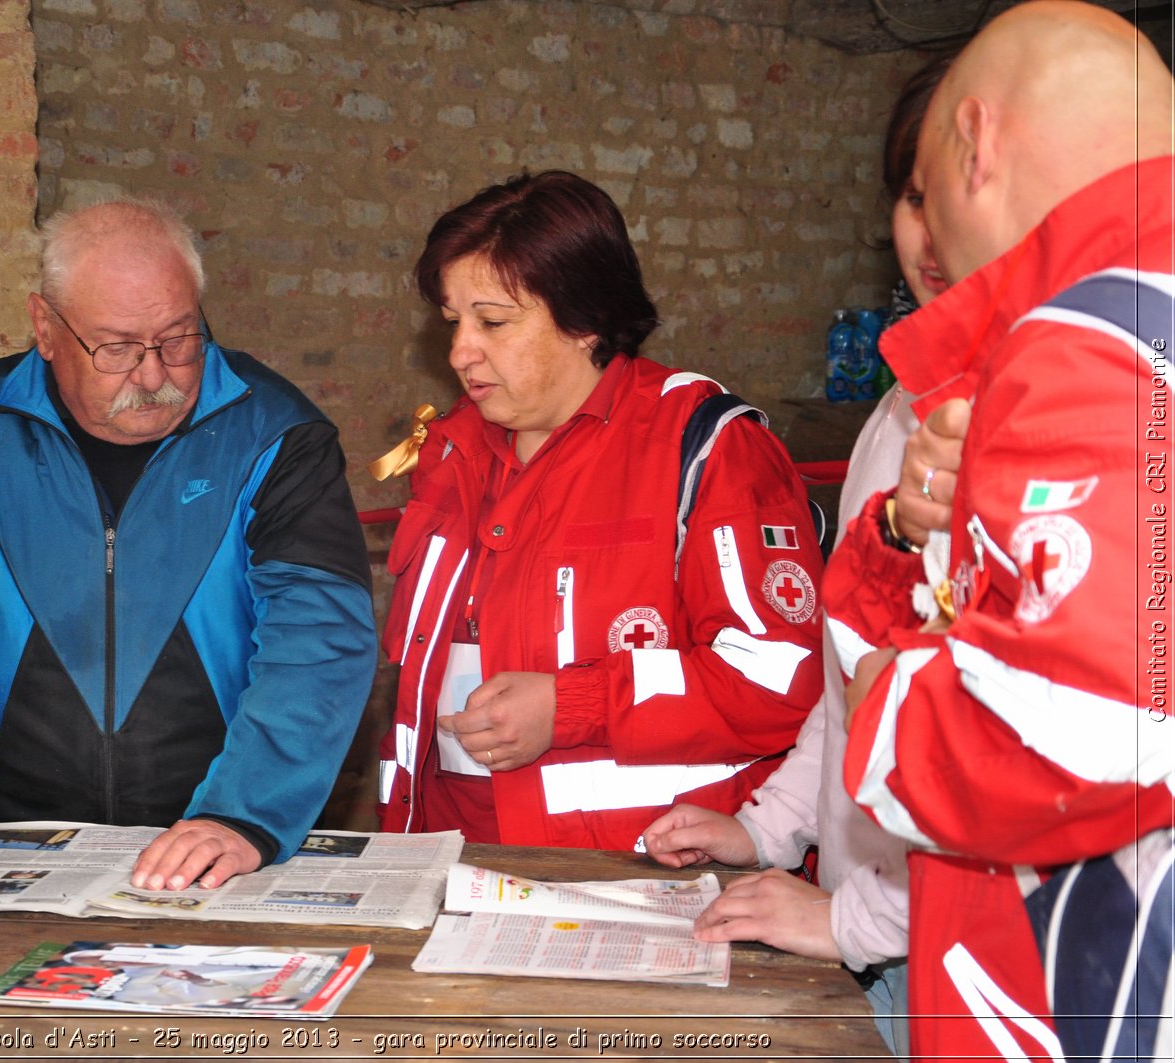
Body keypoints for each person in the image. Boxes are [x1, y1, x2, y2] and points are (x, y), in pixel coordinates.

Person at [0, 197, 378, 892]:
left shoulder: (275, 436)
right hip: (7, 845)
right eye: (116, 347)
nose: (152, 374)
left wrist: (244, 814)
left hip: (216, 847)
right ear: (45, 328)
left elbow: (318, 640)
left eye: (178, 339)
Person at [825, 4, 1174, 1058]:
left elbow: (1084, 719)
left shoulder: (1095, 329)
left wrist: (888, 701)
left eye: (926, 193)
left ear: (977, 144)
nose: (929, 238)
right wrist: (906, 539)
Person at [642, 53, 951, 1057]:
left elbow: (1053, 781)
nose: (938, 229)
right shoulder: (899, 417)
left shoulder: (1116, 436)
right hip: (874, 946)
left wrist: (854, 922)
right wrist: (767, 825)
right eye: (915, 193)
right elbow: (848, 677)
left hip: (986, 970)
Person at [372, 170, 825, 851]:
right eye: (453, 322)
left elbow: (780, 677)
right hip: (448, 858)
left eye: (492, 320)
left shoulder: (704, 449)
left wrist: (573, 705)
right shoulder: (452, 453)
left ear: (583, 320)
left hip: (631, 877)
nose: (461, 350)